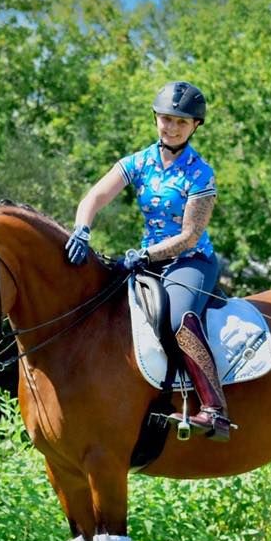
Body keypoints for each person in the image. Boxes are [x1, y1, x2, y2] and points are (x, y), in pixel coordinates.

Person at [64, 81, 231, 441]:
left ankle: (214, 410)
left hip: (191, 261)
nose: (171, 128)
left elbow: (188, 235)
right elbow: (95, 196)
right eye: (166, 119)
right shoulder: (139, 162)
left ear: (195, 127)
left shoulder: (200, 173)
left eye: (181, 123)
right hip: (145, 259)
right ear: (156, 118)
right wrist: (81, 229)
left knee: (177, 318)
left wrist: (145, 255)